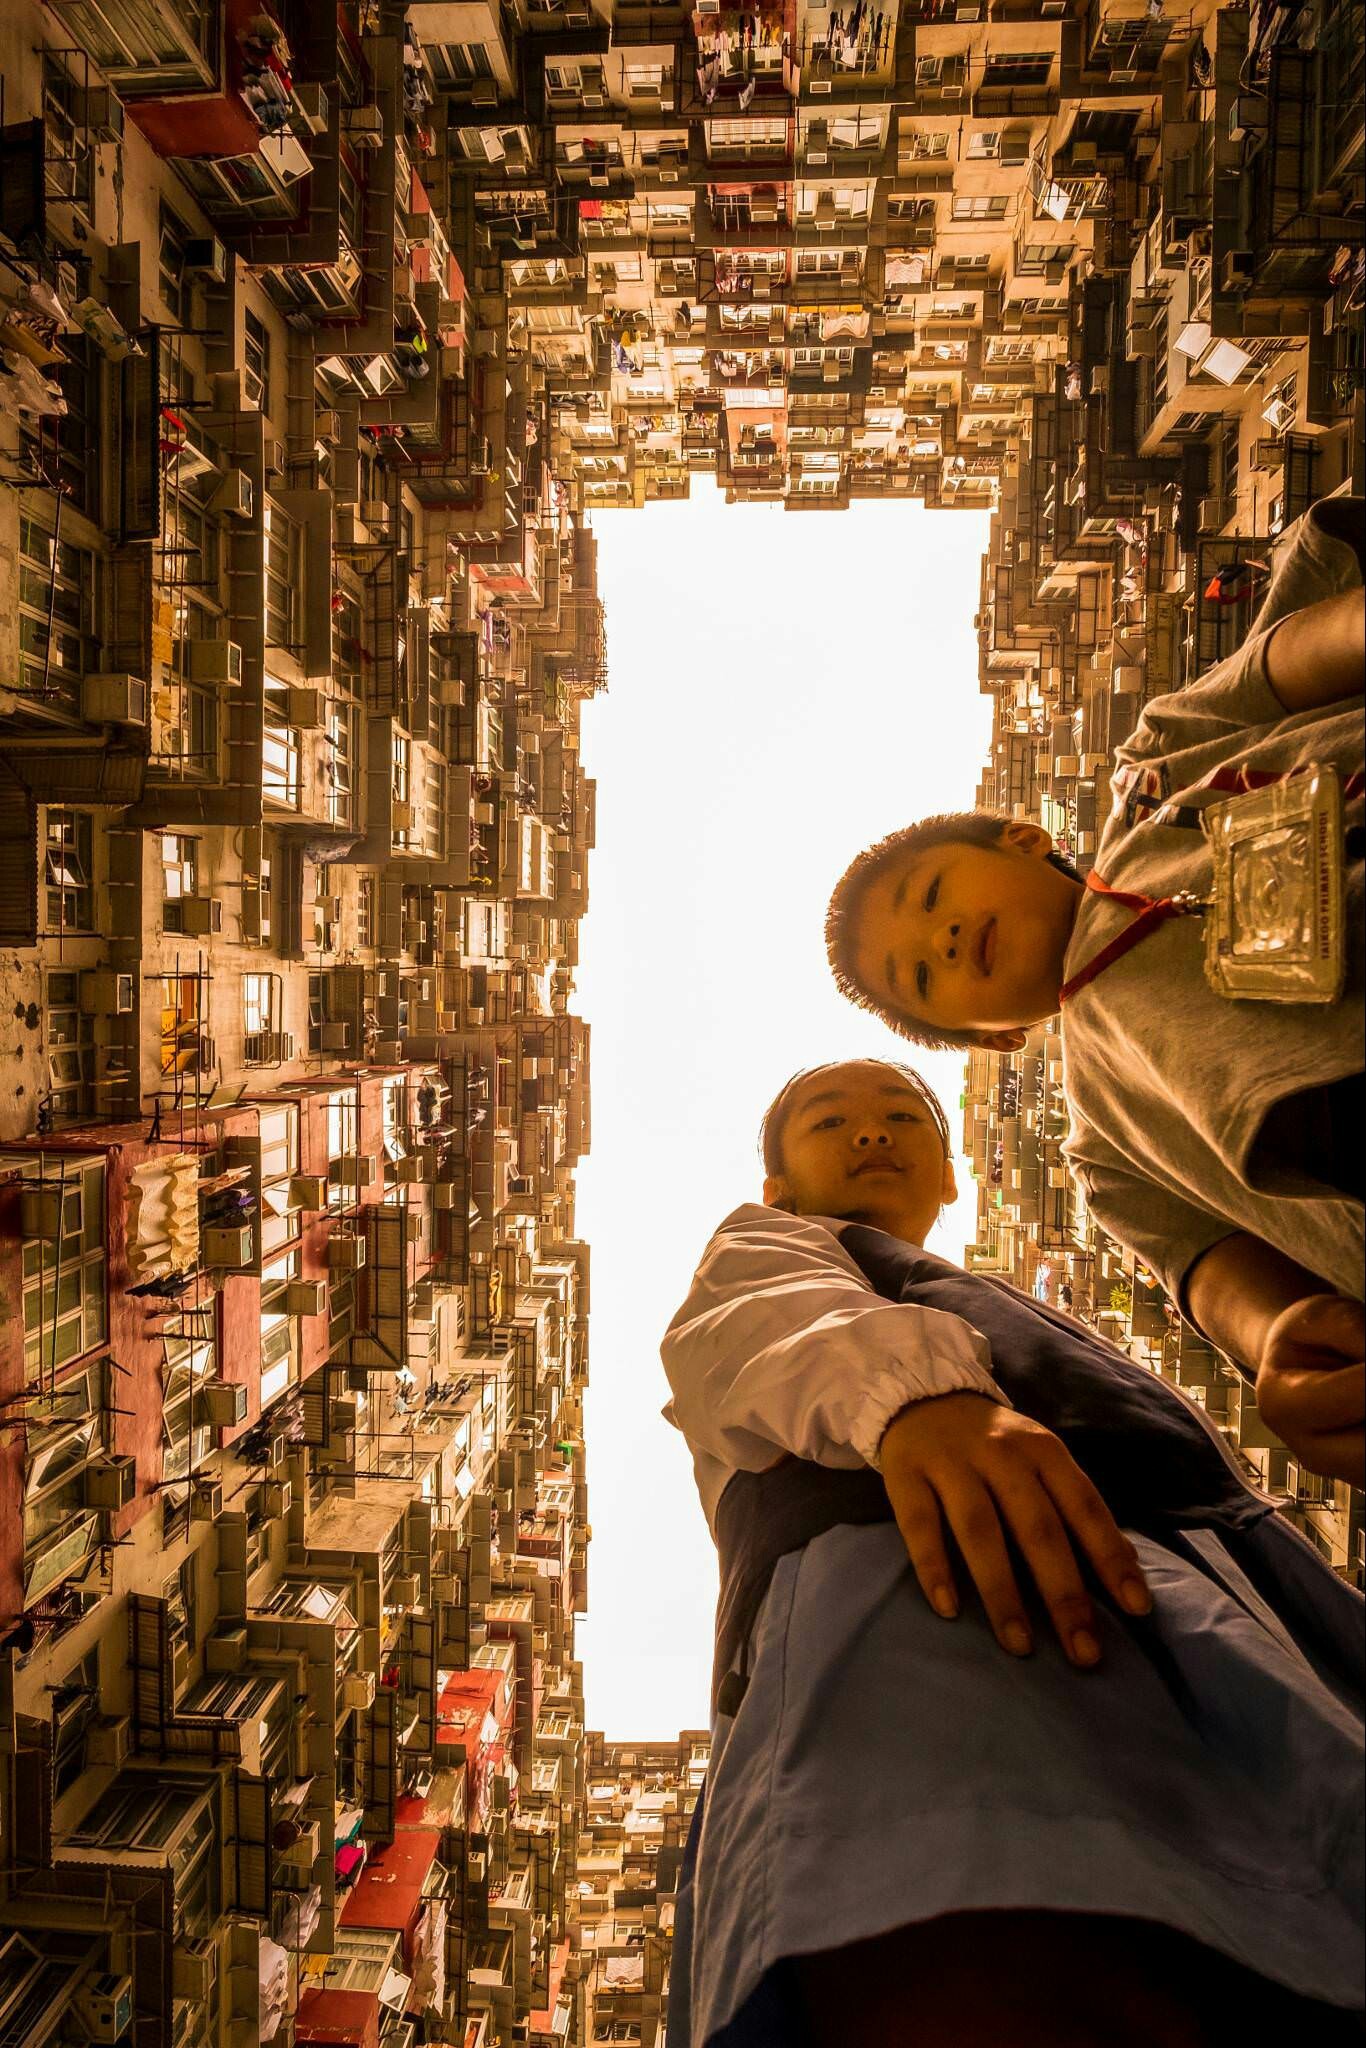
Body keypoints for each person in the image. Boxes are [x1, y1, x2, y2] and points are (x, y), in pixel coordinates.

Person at [662, 1058, 1364, 2048]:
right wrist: (918, 1404)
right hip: (930, 1605)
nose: (870, 1132)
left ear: (949, 1175)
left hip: (1191, 1602)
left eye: (901, 1114)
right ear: (774, 1184)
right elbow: (754, 1320)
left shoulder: (995, 1301)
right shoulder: (772, 1249)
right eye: (830, 1120)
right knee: (1008, 1937)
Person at [823, 497, 1364, 1484]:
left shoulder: (1159, 772)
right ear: (989, 1038)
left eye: (935, 895)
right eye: (921, 975)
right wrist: (1280, 1344)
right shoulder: (1107, 1143)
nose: (943, 936)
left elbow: (1295, 656)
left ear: (1022, 837)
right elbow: (1214, 1278)